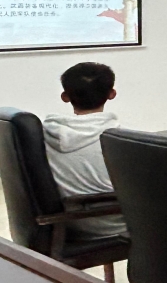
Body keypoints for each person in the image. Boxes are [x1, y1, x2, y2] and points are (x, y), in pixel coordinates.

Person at [42, 62, 126, 239]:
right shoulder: (120, 140)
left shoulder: (43, 133)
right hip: (114, 225)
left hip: (66, 222)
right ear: (112, 94)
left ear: (65, 96)